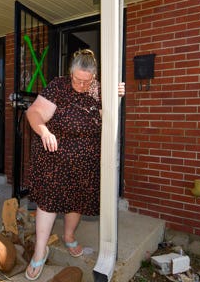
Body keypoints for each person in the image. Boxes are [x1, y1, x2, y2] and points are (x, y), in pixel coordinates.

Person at [24, 49, 125, 280]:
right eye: (76, 79)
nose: (80, 85)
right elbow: (34, 113)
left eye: (86, 81)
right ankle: (40, 251)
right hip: (54, 158)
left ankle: (69, 237)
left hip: (85, 161)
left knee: (76, 201)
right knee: (48, 202)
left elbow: (109, 119)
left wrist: (115, 96)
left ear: (94, 77)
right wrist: (44, 130)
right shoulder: (58, 86)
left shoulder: (100, 90)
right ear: (70, 73)